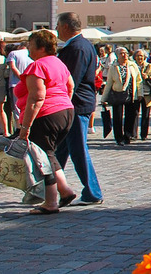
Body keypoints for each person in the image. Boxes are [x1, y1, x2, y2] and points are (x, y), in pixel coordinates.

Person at [15, 29, 79, 214]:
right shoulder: (59, 63)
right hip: (65, 112)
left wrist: (25, 127)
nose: (28, 47)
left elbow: (36, 98)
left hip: (46, 115)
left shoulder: (37, 66)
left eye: (31, 44)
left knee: (42, 158)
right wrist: (62, 102)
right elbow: (70, 86)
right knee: (49, 154)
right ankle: (65, 191)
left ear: (41, 47)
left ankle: (50, 202)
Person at [52, 12, 104, 205]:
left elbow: (70, 79)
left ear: (66, 26)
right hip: (75, 103)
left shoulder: (77, 48)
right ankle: (46, 189)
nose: (56, 29)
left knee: (78, 150)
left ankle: (93, 192)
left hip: (75, 104)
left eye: (58, 25)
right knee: (59, 151)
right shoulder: (79, 45)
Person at [103, 46, 140, 145]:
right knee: (117, 117)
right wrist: (104, 98)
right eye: (122, 53)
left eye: (126, 53)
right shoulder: (113, 67)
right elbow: (109, 82)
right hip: (117, 94)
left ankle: (127, 136)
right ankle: (119, 138)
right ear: (117, 55)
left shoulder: (132, 65)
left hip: (131, 94)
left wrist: (139, 94)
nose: (124, 55)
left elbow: (138, 80)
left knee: (130, 116)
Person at [134, 49, 151, 141]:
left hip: (147, 94)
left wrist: (147, 77)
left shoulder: (149, 66)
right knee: (134, 114)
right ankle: (133, 134)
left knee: (146, 115)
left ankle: (144, 134)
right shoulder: (133, 66)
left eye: (141, 56)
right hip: (136, 93)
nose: (140, 57)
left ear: (144, 57)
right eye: (138, 56)